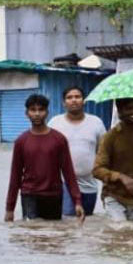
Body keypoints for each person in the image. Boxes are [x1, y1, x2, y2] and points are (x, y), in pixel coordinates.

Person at [4, 93, 85, 224]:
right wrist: (9, 209)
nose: (37, 114)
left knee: (54, 233)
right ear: (27, 113)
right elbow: (15, 176)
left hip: (54, 196)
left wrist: (77, 201)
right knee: (32, 232)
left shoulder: (59, 139)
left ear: (47, 112)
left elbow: (69, 172)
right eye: (33, 110)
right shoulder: (21, 141)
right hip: (29, 196)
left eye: (41, 110)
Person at [48, 86, 106, 217]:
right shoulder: (55, 123)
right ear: (64, 103)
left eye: (77, 97)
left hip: (90, 184)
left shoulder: (96, 123)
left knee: (86, 221)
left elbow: (103, 153)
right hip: (64, 183)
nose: (74, 100)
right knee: (69, 218)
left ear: (84, 101)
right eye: (69, 97)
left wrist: (106, 183)